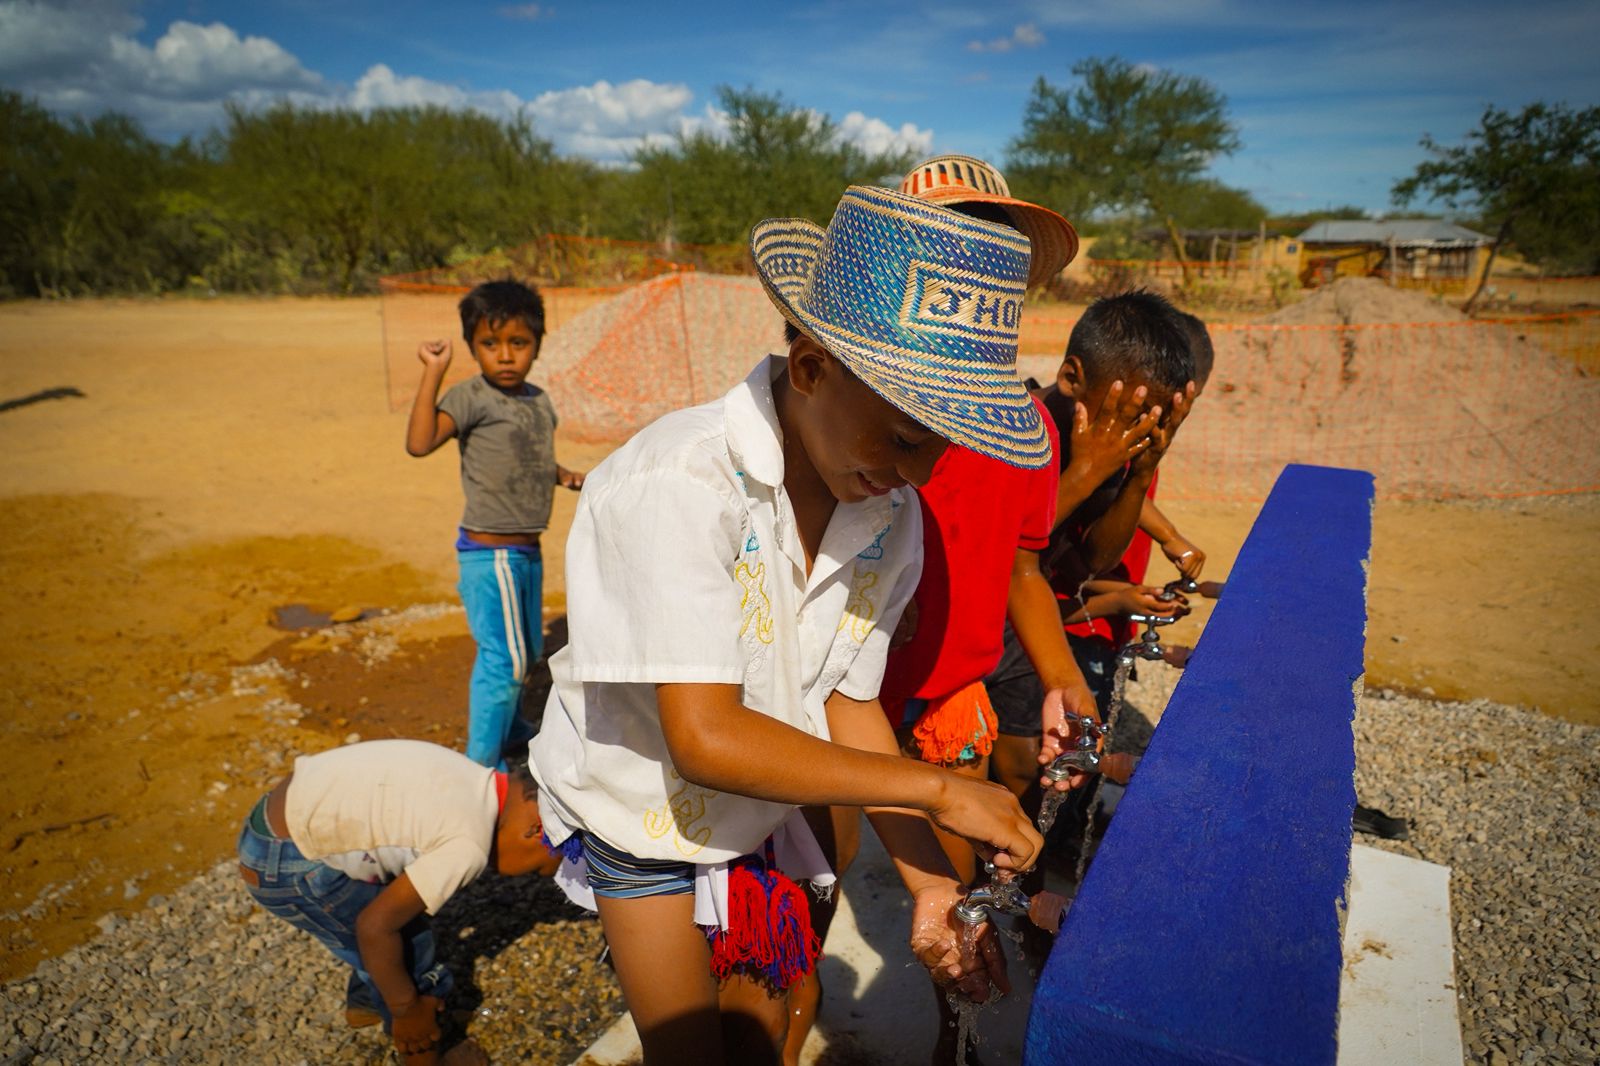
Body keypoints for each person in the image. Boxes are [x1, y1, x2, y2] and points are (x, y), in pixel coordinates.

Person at [527, 185, 1048, 1066]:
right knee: (693, 1049)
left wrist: (927, 885)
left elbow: (849, 703)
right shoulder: (679, 484)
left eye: (938, 448)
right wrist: (940, 788)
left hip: (768, 811)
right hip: (649, 816)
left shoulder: (887, 514)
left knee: (770, 1020)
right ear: (810, 368)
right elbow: (703, 737)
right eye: (902, 437)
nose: (916, 473)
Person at [872, 154, 1103, 1065]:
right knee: (801, 910)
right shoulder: (864, 408)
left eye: (996, 255)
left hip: (946, 703)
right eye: (954, 245)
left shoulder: (1027, 427)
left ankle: (951, 1044)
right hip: (837, 702)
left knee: (958, 897)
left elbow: (1020, 565)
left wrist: (1058, 678)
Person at [987, 291, 1197, 817]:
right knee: (972, 758)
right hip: (973, 608)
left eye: (1147, 419)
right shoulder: (1014, 432)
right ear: (1072, 377)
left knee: (1021, 762)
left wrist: (1140, 472)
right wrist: (1083, 474)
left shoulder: (1111, 446)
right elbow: (996, 550)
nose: (1131, 428)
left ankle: (1020, 872)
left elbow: (1096, 559)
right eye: (1124, 411)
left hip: (1024, 615)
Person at [236, 739, 561, 1066]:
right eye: (537, 869)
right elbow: (374, 926)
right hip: (295, 867)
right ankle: (421, 1055)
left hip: (269, 825)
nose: (525, 877)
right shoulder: (468, 846)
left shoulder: (471, 777)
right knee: (409, 950)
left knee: (390, 907)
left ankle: (367, 1000)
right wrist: (407, 1008)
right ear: (536, 829)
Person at [405, 280, 585, 769]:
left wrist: (562, 474)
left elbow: (526, 456)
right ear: (473, 347)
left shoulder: (538, 401)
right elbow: (420, 442)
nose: (505, 356)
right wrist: (434, 373)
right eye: (490, 344)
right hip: (492, 554)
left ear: (536, 346)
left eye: (518, 344)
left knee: (525, 652)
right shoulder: (471, 396)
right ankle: (479, 768)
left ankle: (510, 731)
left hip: (525, 552)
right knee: (502, 662)